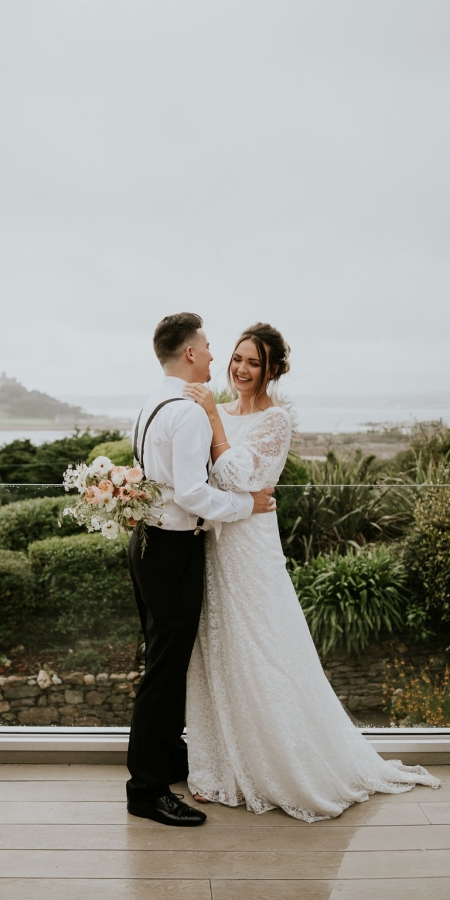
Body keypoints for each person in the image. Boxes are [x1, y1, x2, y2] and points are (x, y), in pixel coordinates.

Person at [183, 322, 440, 822]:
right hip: (216, 546)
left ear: (272, 370)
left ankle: (284, 766)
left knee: (264, 648)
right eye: (237, 358)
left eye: (253, 363)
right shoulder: (220, 411)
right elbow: (209, 478)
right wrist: (217, 428)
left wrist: (213, 419)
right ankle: (223, 767)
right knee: (219, 647)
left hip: (251, 550)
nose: (240, 369)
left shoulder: (275, 421)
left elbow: (242, 476)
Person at [126, 312, 277, 827]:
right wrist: (246, 506)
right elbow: (192, 493)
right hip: (172, 550)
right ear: (190, 353)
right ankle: (146, 790)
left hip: (145, 544)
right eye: (209, 346)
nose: (215, 355)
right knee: (165, 671)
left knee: (164, 662)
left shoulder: (150, 404)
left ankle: (168, 761)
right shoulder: (189, 413)